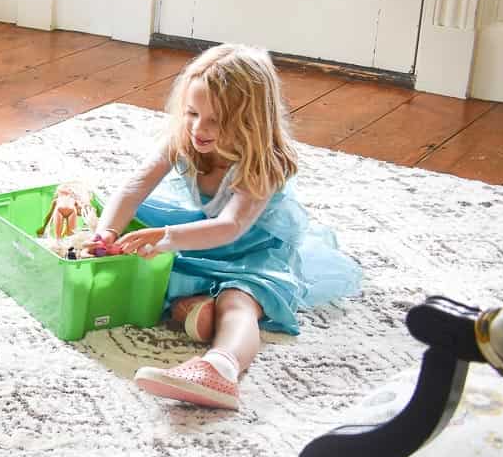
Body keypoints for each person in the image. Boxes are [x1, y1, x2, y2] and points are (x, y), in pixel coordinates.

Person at [91, 44, 362, 410]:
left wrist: (168, 238)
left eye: (216, 120)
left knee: (239, 302)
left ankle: (220, 368)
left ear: (251, 121)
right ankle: (199, 309)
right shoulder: (184, 139)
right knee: (143, 262)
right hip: (201, 239)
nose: (199, 128)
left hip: (252, 251)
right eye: (191, 113)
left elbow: (231, 225)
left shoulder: (265, 162)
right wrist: (107, 232)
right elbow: (134, 187)